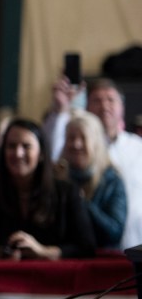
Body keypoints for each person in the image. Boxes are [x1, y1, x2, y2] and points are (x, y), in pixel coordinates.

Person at [0, 119, 95, 260]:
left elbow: (86, 247)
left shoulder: (67, 193)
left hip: (53, 280)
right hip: (4, 279)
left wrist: (44, 252)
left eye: (26, 146)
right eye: (11, 146)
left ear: (41, 153)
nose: (18, 153)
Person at [43, 77, 142, 248]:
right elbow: (51, 151)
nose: (104, 106)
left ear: (122, 107)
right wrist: (61, 109)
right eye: (97, 100)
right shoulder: (74, 150)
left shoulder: (137, 146)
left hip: (134, 241)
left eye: (111, 100)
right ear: (87, 107)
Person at [57, 110, 127, 250]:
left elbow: (113, 233)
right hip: (62, 260)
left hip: (102, 262)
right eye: (71, 138)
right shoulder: (55, 177)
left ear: (96, 142)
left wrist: (80, 201)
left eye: (83, 138)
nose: (76, 144)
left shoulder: (112, 181)